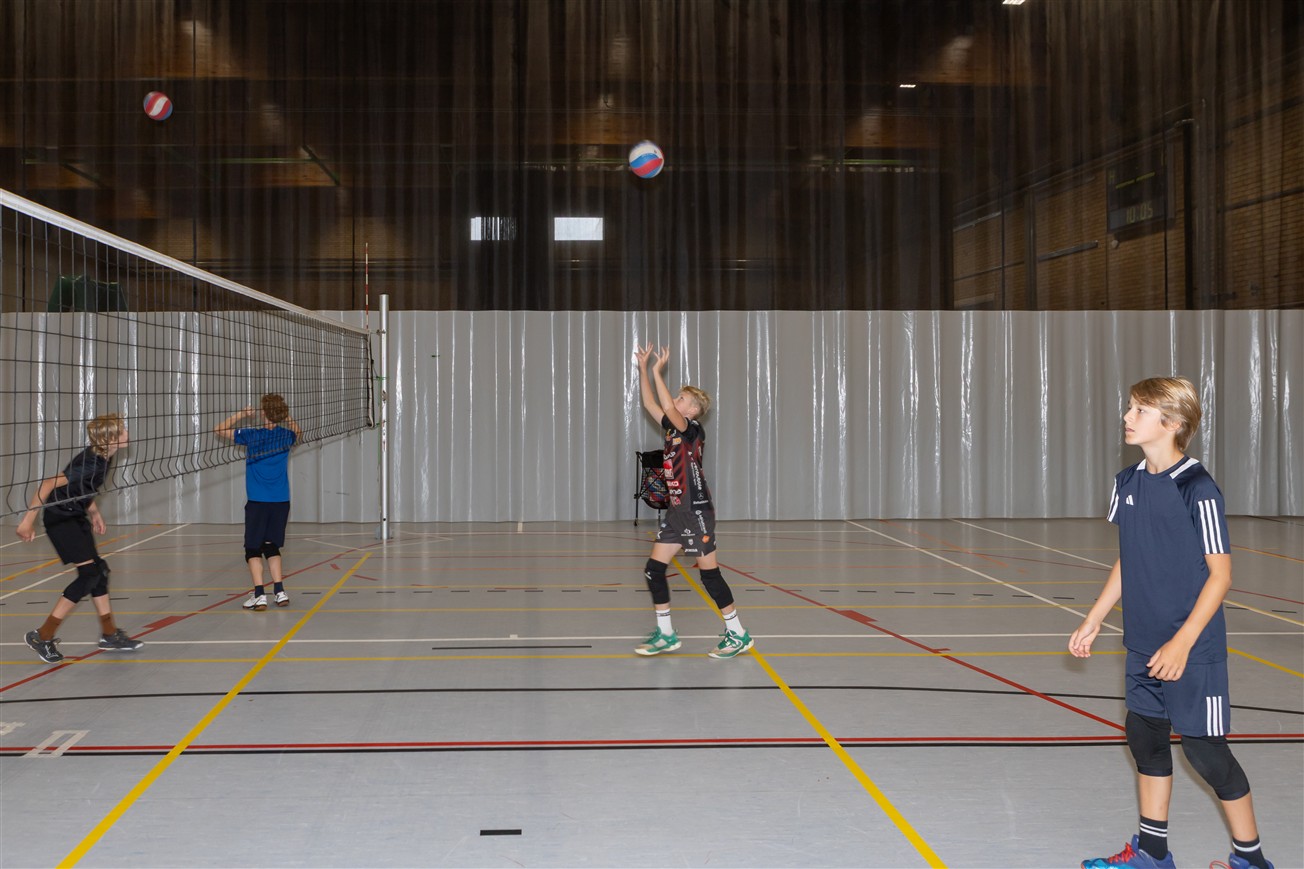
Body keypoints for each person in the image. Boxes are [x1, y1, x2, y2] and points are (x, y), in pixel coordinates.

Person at [1070, 377, 1273, 869]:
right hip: (1141, 643)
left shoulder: (1197, 488)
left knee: (1206, 753)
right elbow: (1128, 559)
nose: (1127, 416)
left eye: (1140, 410)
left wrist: (1183, 642)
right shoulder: (1128, 483)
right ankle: (1152, 853)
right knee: (1145, 739)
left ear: (1173, 424)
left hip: (1191, 648)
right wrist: (1094, 617)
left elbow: (1221, 575)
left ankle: (1251, 860)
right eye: (1130, 408)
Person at [631, 344, 752, 659]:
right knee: (653, 570)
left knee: (709, 574)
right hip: (676, 513)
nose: (675, 400)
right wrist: (644, 368)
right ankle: (667, 635)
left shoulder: (691, 430)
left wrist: (659, 371)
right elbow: (649, 402)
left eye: (681, 398)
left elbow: (667, 407)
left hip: (696, 511)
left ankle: (738, 633)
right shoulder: (674, 428)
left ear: (692, 410)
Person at [16, 412, 143, 663]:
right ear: (110, 439)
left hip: (76, 515)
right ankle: (42, 635)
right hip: (60, 518)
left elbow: (84, 488)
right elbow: (48, 483)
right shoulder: (91, 462)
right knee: (89, 575)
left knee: (100, 571)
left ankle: (109, 634)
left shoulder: (105, 457)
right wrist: (27, 521)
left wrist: (93, 511)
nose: (127, 432)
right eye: (122, 430)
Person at [214, 394, 300, 611]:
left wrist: (242, 415)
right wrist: (286, 416)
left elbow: (219, 430)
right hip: (281, 502)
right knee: (271, 546)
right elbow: (298, 432)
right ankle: (279, 592)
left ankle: (260, 594)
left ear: (263, 412)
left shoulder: (251, 435)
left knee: (252, 549)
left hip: (258, 502)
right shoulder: (286, 436)